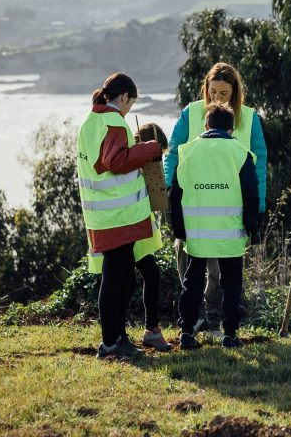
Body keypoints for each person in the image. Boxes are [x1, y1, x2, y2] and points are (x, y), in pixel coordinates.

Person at [164, 62, 267, 341]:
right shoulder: (191, 113)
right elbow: (172, 156)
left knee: (210, 276)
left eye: (224, 93)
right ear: (206, 89)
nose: (218, 99)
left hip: (214, 216)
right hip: (200, 214)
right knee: (197, 273)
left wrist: (256, 211)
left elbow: (258, 168)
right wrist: (173, 203)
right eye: (213, 92)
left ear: (235, 93)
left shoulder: (249, 118)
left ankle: (209, 323)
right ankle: (201, 325)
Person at [77, 72, 163, 359]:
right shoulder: (114, 121)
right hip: (119, 215)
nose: (129, 110)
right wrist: (150, 149)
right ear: (124, 96)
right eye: (131, 103)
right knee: (116, 279)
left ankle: (117, 339)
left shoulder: (89, 123)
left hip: (100, 213)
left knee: (120, 279)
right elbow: (115, 162)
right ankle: (112, 342)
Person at [84, 122, 171, 352]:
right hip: (129, 225)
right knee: (139, 277)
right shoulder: (130, 161)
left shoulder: (132, 158)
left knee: (134, 279)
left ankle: (127, 334)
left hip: (135, 224)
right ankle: (133, 333)